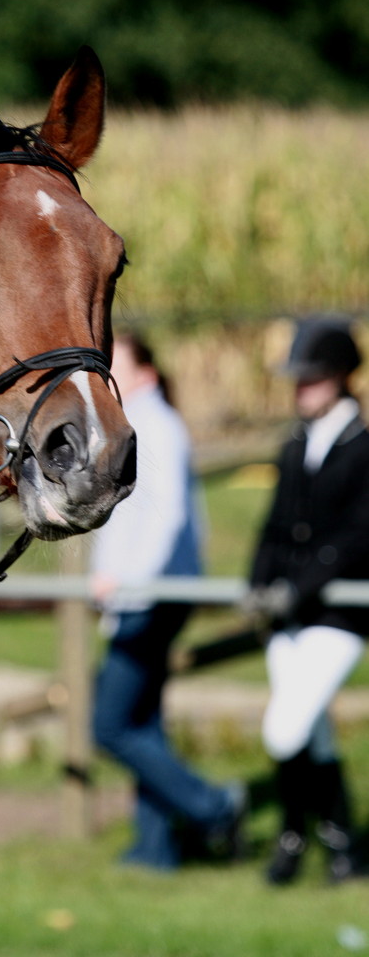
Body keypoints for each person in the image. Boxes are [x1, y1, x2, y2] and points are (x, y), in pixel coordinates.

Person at [90, 330, 245, 871]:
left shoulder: (158, 426)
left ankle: (216, 806)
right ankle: (156, 849)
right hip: (141, 595)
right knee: (142, 721)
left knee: (108, 726)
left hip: (151, 597)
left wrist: (127, 585)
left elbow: (168, 517)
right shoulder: (135, 423)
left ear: (146, 375)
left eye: (117, 365)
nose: (107, 372)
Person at [243, 314, 369, 885]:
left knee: (285, 728)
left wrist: (298, 587)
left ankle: (293, 830)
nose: (301, 389)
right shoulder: (295, 443)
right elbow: (276, 524)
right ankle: (340, 846)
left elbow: (356, 535)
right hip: (288, 615)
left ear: (341, 377)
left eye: (311, 378)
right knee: (314, 731)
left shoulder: (362, 445)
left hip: (339, 614)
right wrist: (258, 582)